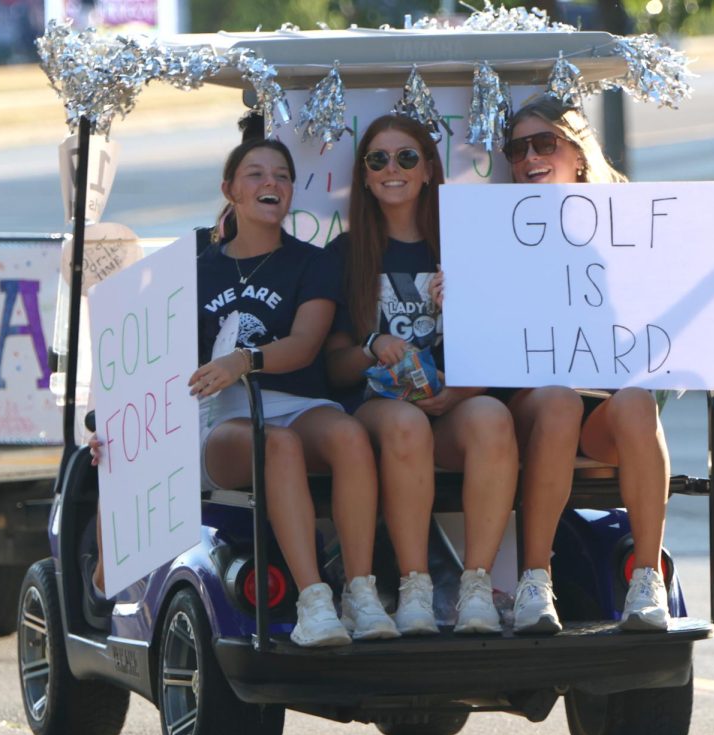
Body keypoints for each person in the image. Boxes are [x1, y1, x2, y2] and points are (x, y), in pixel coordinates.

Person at [486, 94, 714, 631]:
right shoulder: (494, 226)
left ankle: (647, 580)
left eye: (543, 143)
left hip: (605, 410)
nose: (528, 157)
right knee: (557, 402)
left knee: (638, 403)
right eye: (517, 148)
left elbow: (678, 303)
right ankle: (535, 581)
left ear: (576, 152)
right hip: (534, 410)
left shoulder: (629, 218)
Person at [91, 138, 399, 647]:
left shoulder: (313, 262)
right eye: (255, 174)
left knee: (348, 435)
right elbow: (145, 361)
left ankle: (361, 593)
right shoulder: (190, 267)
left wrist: (244, 360)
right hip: (220, 414)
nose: (270, 183)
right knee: (274, 444)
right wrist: (111, 423)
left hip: (296, 400)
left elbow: (303, 347)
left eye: (281, 175)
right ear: (230, 190)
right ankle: (313, 600)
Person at [323, 114, 521, 636]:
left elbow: (504, 345)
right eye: (378, 159)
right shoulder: (344, 254)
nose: (393, 168)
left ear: (429, 168)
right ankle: (416, 588)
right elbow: (333, 365)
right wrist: (372, 346)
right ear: (363, 176)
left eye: (407, 157)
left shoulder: (466, 246)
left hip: (449, 408)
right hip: (375, 414)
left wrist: (460, 384)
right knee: (406, 426)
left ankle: (475, 587)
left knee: (492, 416)